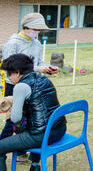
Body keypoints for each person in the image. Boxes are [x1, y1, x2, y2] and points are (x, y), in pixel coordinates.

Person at [1, 13, 58, 160]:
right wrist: (38, 69)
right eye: (35, 29)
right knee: (12, 121)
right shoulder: (13, 43)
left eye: (39, 30)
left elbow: (38, 63)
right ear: (26, 27)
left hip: (33, 85)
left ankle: (24, 153)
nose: (37, 33)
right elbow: (10, 69)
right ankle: (4, 150)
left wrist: (47, 67)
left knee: (32, 117)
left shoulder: (37, 43)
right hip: (14, 86)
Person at [0, 54, 66, 171]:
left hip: (41, 135)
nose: (7, 77)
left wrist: (12, 107)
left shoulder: (21, 86)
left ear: (18, 72)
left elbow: (15, 119)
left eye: (9, 74)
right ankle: (35, 165)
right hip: (59, 129)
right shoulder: (43, 78)